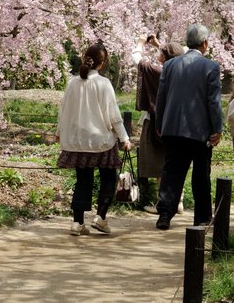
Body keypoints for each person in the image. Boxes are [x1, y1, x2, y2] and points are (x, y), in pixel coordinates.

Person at [56, 42, 133, 236]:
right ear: (102, 63)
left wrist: (60, 132)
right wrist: (124, 137)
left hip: (78, 140)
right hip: (101, 141)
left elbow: (63, 110)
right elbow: (114, 115)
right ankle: (100, 217)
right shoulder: (103, 83)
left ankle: (77, 223)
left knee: (83, 181)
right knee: (109, 178)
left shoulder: (72, 82)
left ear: (84, 59)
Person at [154, 23, 222, 230]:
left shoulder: (171, 65)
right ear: (204, 43)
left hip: (172, 127)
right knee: (201, 173)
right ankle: (202, 218)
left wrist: (160, 124)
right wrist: (217, 129)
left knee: (172, 171)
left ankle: (165, 214)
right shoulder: (211, 67)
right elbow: (213, 102)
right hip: (199, 131)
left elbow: (161, 97)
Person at [133, 35, 184, 213]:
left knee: (162, 163)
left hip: (158, 121)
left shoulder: (157, 70)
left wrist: (141, 43)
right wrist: (157, 45)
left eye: (161, 52)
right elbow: (177, 55)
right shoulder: (182, 70)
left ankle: (163, 203)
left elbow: (137, 60)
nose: (157, 55)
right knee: (174, 161)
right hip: (178, 121)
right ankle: (177, 201)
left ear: (165, 56)